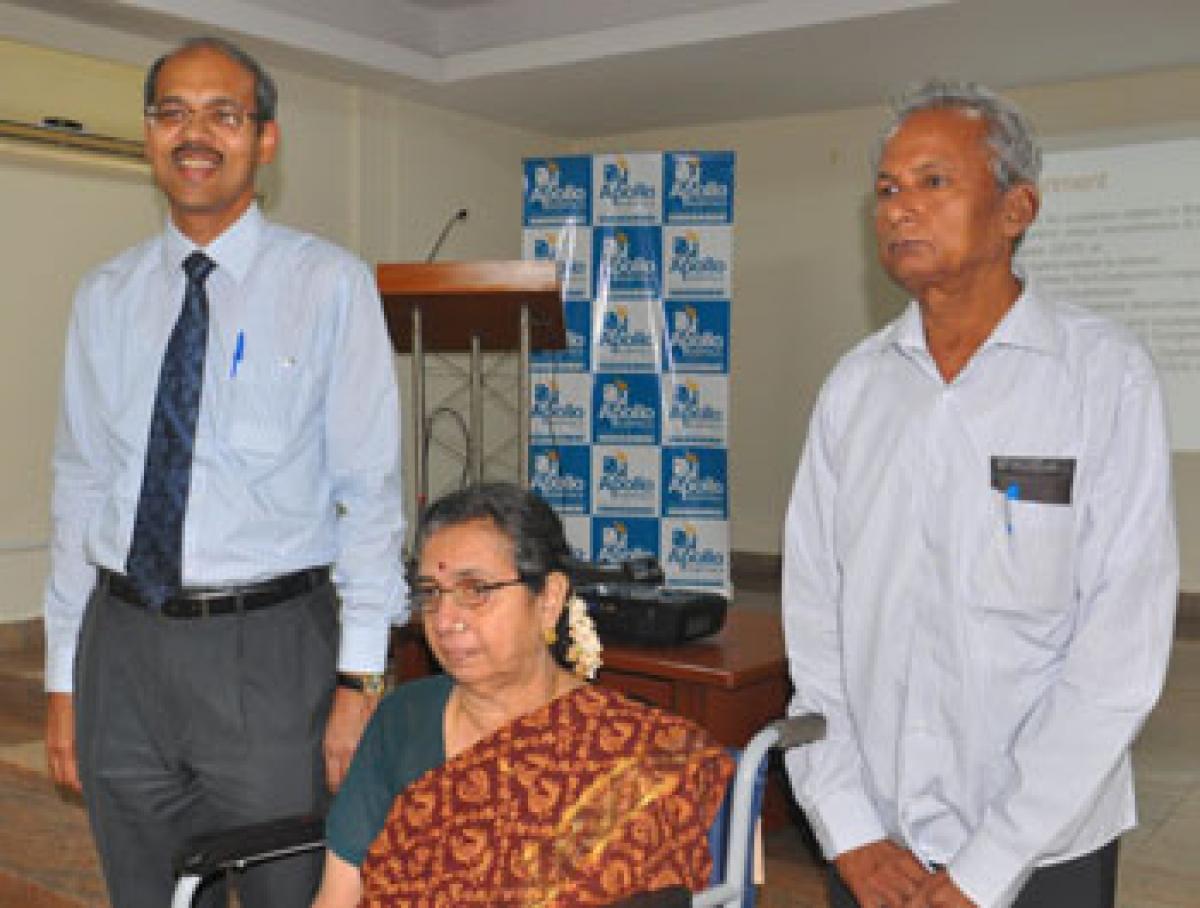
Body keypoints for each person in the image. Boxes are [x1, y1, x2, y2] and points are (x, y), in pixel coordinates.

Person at [782, 79, 1177, 908]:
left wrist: (985, 867)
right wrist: (850, 830)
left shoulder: (1102, 377)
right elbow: (816, 630)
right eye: (886, 189)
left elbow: (1117, 659)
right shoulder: (854, 392)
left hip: (1041, 853)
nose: (898, 209)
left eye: (933, 182)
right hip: (878, 848)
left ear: (1016, 208)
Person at [42, 36, 406, 907]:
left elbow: (372, 497)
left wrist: (361, 682)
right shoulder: (106, 296)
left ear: (265, 140)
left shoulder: (329, 286)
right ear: (148, 135)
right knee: (146, 893)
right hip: (121, 650)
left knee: (290, 894)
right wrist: (64, 679)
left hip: (270, 654)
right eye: (173, 112)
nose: (194, 133)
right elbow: (80, 486)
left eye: (223, 114)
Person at [313, 482, 733, 907]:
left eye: (475, 590)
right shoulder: (403, 718)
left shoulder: (637, 752)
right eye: (432, 593)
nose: (444, 619)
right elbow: (338, 894)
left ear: (549, 598)